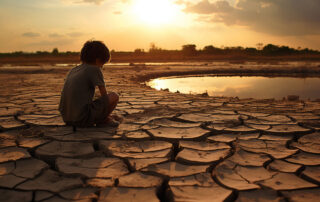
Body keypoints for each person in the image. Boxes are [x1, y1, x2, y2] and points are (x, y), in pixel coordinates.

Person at [59, 40, 120, 127]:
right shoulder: (94, 69)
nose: (101, 67)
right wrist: (105, 113)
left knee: (96, 99)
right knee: (114, 96)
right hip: (81, 119)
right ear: (97, 60)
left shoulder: (74, 70)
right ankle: (104, 120)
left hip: (67, 119)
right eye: (102, 63)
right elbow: (104, 95)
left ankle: (101, 117)